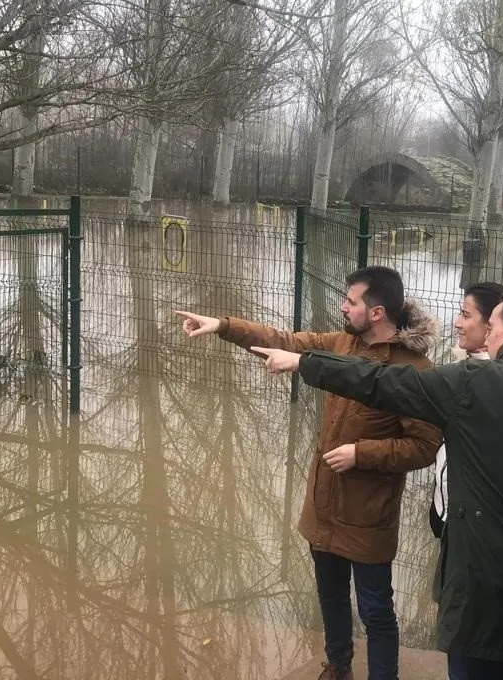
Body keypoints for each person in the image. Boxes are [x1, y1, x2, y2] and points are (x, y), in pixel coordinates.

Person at [250, 290, 503, 680]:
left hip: (482, 578)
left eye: (490, 327)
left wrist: (306, 365)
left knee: (472, 662)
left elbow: (382, 382)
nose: (485, 336)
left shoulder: (475, 381)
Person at [175, 266, 442, 680]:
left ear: (376, 312)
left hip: (368, 514)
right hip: (323, 504)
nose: (342, 305)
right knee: (330, 597)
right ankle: (338, 667)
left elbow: (424, 446)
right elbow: (284, 341)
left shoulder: (415, 371)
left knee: (376, 609)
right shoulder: (341, 345)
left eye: (351, 301)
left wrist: (361, 453)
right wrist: (222, 326)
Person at [431, 282, 503, 538]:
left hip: (475, 529)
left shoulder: (502, 386)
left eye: (465, 315)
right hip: (446, 511)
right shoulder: (463, 370)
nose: (456, 323)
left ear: (492, 325)